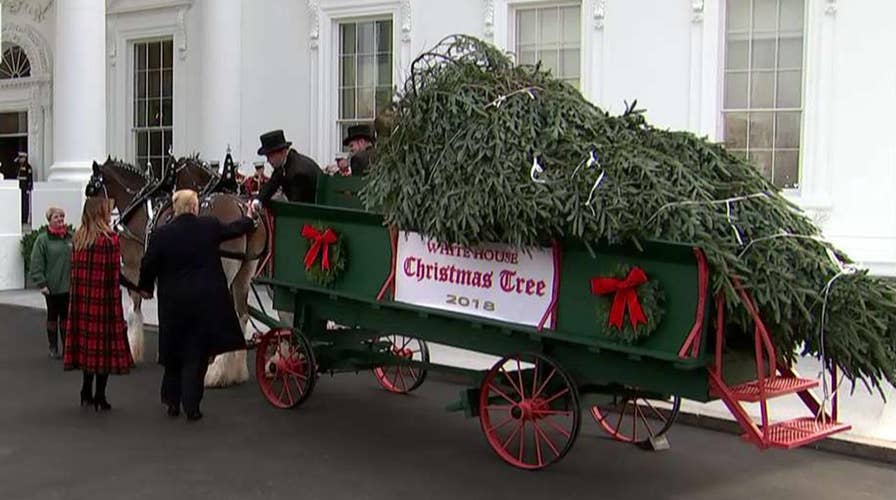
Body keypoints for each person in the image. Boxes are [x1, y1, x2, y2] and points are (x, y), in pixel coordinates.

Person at [137, 189, 257, 421]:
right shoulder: (209, 226)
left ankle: (171, 401)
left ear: (175, 208)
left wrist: (145, 288)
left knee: (173, 353)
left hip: (173, 303)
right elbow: (234, 229)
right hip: (204, 301)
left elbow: (148, 263)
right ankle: (192, 405)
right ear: (194, 207)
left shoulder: (162, 234)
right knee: (197, 354)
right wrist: (250, 218)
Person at [64, 193, 133, 411]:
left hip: (82, 302)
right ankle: (100, 396)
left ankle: (86, 390)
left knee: (87, 346)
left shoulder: (79, 239)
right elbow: (115, 274)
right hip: (104, 302)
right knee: (103, 349)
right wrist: (136, 286)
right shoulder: (109, 241)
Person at [29, 207, 72, 359]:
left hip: (68, 286)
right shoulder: (43, 240)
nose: (60, 219)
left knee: (66, 318)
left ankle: (67, 348)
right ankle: (53, 347)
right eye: (56, 217)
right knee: (53, 317)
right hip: (52, 288)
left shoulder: (70, 238)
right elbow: (36, 262)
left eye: (61, 217)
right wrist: (41, 283)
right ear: (49, 220)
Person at [252, 130, 320, 207]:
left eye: (270, 156)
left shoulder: (298, 172)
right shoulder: (285, 162)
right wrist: (257, 201)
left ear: (282, 152)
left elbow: (297, 207)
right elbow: (272, 184)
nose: (268, 160)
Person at [16, 153, 33, 225]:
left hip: (25, 187)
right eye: (19, 158)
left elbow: (29, 178)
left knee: (25, 204)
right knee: (19, 203)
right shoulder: (18, 166)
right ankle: (20, 218)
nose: (20, 159)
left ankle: (24, 219)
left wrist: (29, 188)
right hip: (19, 187)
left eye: (21, 158)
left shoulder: (28, 167)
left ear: (24, 158)